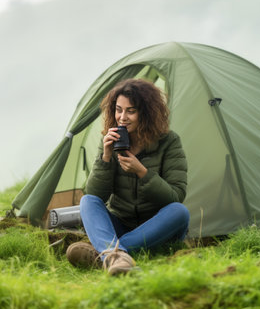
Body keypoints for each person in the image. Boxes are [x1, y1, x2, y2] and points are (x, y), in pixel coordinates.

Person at [66, 78, 189, 275]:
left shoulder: (169, 141)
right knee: (87, 201)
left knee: (180, 211)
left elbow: (176, 196)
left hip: (157, 228)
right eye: (118, 109)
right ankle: (117, 258)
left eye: (131, 111)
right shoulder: (112, 138)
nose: (122, 117)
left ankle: (106, 254)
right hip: (122, 224)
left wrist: (142, 172)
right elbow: (96, 195)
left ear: (146, 113)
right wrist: (105, 158)